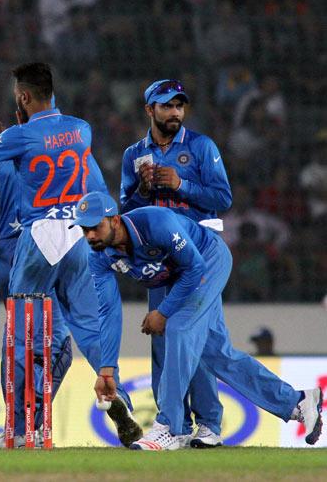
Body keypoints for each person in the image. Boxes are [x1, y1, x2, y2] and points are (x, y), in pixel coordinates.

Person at [0, 62, 142, 447]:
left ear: (23, 97)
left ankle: (22, 427)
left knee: (23, 335)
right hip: (78, 234)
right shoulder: (81, 129)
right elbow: (58, 154)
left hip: (38, 237)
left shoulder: (19, 136)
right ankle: (118, 397)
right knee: (89, 328)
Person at [74, 191, 323, 451]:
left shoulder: (155, 223)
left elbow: (195, 268)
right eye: (84, 229)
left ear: (114, 220)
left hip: (208, 261)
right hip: (179, 278)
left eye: (95, 227)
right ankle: (297, 401)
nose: (90, 235)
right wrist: (106, 370)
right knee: (216, 354)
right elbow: (109, 313)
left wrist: (163, 312)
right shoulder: (98, 256)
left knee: (179, 329)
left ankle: (171, 427)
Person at [120, 79, 232, 448]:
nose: (175, 113)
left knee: (196, 338)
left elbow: (222, 197)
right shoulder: (134, 154)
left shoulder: (200, 146)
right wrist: (141, 190)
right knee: (164, 341)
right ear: (149, 109)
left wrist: (181, 184)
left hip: (197, 254)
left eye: (179, 106)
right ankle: (175, 427)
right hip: (159, 258)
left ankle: (209, 425)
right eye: (167, 106)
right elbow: (125, 212)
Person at [0, 158, 73, 446]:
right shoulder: (54, 156)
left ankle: (20, 428)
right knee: (54, 347)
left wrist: (1, 229)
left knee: (19, 343)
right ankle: (24, 428)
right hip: (40, 256)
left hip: (10, 256)